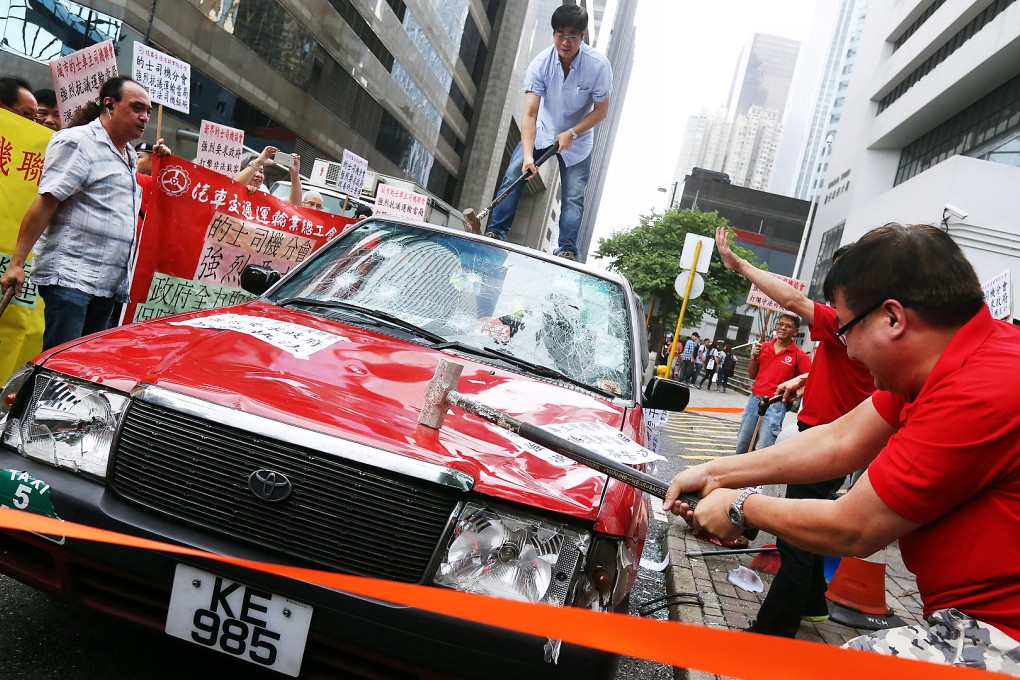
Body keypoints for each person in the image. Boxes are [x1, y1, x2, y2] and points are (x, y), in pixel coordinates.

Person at [664, 224, 1020, 672]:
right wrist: (718, 472)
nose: (845, 348)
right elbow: (839, 438)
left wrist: (740, 507)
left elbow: (854, 527)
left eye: (846, 329)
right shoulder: (939, 367)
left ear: (893, 318)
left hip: (1001, 634)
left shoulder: (982, 388)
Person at [714, 225, 875, 637]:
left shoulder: (849, 324)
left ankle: (773, 629)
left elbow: (789, 298)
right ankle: (813, 604)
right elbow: (841, 373)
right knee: (813, 526)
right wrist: (801, 383)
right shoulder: (865, 331)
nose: (833, 292)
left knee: (797, 536)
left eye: (842, 281)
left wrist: (740, 263)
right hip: (831, 439)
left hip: (825, 442)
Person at [0, 77, 153, 350]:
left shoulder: (129, 155)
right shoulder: (78, 142)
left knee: (77, 375)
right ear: (109, 105)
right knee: (58, 369)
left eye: (148, 112)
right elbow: (45, 203)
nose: (144, 117)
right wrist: (17, 264)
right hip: (72, 281)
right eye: (137, 108)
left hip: (108, 286)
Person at [482, 5, 612, 260]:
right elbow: (530, 114)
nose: (565, 42)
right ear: (553, 34)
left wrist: (572, 133)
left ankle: (566, 249)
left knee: (573, 196)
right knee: (514, 175)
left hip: (578, 139)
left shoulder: (598, 66)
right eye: (559, 34)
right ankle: (496, 232)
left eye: (572, 36)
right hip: (542, 130)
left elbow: (601, 112)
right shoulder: (540, 64)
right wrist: (529, 156)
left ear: (583, 35)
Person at [734, 314, 810, 453]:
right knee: (743, 443)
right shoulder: (763, 347)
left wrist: (795, 395)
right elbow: (752, 375)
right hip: (754, 401)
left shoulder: (799, 355)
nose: (782, 328)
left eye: (788, 326)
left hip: (775, 405)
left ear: (796, 331)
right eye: (780, 324)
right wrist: (754, 358)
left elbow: (810, 379)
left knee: (765, 447)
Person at [234, 146, 302, 204]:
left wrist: (295, 174)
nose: (258, 175)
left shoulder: (264, 194)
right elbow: (234, 185)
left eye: (261, 172)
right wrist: (258, 162)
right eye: (254, 169)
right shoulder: (229, 189)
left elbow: (294, 203)